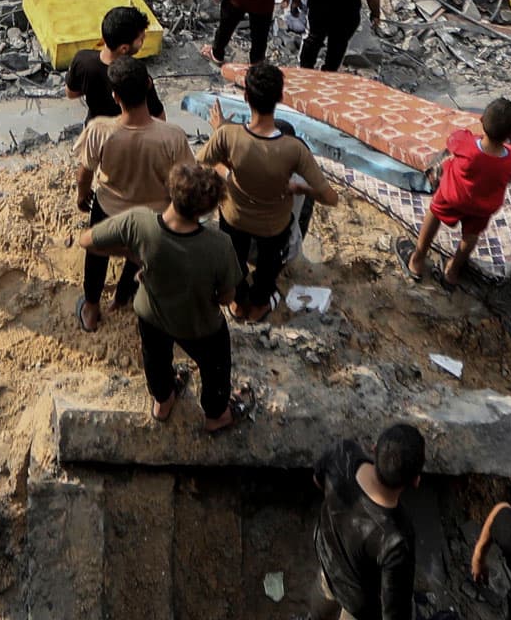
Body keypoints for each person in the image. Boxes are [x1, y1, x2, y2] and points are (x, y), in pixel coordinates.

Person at [79, 161, 245, 431]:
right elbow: (227, 298)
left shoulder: (139, 222)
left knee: (155, 359)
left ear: (171, 191)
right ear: (206, 209)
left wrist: (131, 254)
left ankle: (163, 402)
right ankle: (216, 415)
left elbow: (87, 241)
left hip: (151, 315)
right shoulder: (219, 245)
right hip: (199, 325)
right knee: (215, 367)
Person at [202, 61, 335, 322]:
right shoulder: (295, 151)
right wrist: (298, 188)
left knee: (234, 254)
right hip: (273, 230)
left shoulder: (229, 136)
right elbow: (331, 197)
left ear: (246, 96)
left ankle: (238, 303)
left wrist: (222, 142)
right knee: (273, 254)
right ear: (280, 98)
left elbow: (202, 162)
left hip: (235, 219)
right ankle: (260, 304)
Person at [76, 59, 188, 332]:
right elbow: (185, 182)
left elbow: (84, 173)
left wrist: (82, 196)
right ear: (149, 85)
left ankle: (91, 308)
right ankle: (123, 297)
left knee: (97, 254)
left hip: (109, 208)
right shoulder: (172, 136)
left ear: (115, 96)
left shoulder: (100, 130)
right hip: (152, 215)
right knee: (139, 256)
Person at [311, 426, 424, 620]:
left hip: (328, 562)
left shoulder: (342, 454)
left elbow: (317, 479)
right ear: (416, 481)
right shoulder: (397, 539)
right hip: (358, 602)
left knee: (322, 598)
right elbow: (394, 611)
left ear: (374, 448)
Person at [412, 97, 511, 283]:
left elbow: (453, 139)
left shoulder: (466, 144)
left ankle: (417, 259)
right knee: (471, 235)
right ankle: (453, 270)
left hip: (452, 196)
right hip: (482, 207)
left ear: (481, 120)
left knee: (434, 213)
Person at [66, 3, 148, 119]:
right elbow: (159, 117)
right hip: (126, 134)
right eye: (141, 39)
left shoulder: (82, 60)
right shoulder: (136, 75)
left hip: (94, 130)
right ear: (124, 48)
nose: (143, 41)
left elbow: (71, 93)